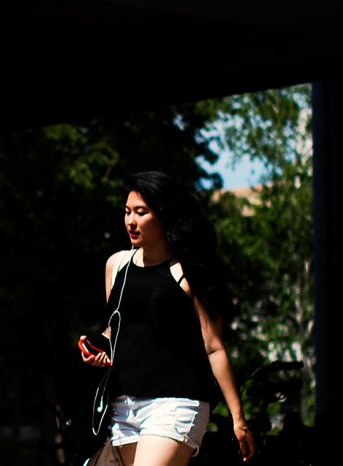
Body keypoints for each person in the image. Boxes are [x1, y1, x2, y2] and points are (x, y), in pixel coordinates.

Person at [79, 170, 257, 466]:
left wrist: (238, 418)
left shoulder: (188, 272)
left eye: (141, 212)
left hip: (176, 404)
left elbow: (213, 346)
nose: (130, 221)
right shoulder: (116, 265)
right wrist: (97, 348)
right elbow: (117, 331)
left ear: (163, 215)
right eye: (126, 212)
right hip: (124, 407)